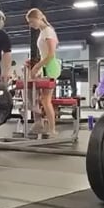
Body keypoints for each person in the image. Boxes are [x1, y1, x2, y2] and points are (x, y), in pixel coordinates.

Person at [25, 8, 61, 137]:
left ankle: (52, 129)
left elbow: (51, 54)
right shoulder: (43, 32)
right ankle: (38, 120)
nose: (30, 25)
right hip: (45, 65)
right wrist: (34, 63)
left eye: (31, 21)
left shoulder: (47, 32)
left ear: (38, 18)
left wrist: (37, 67)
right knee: (35, 92)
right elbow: (45, 53)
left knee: (45, 100)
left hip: (50, 67)